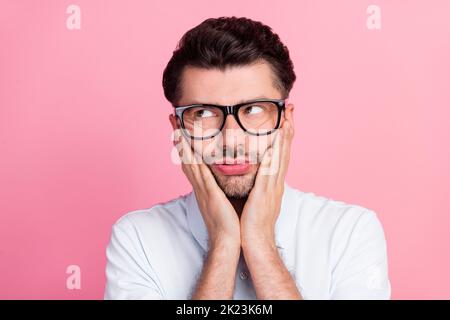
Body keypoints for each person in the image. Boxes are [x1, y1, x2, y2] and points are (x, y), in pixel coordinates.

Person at [104, 16, 391, 300]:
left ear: (285, 123)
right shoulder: (137, 238)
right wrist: (224, 244)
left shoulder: (350, 232)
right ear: (177, 130)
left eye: (253, 110)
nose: (231, 139)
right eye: (203, 113)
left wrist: (260, 242)